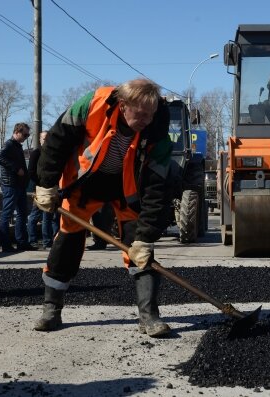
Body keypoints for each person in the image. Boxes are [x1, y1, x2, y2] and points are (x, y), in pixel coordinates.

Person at [33, 78, 173, 337]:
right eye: (140, 114)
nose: (145, 120)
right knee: (67, 242)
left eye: (150, 115)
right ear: (122, 105)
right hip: (86, 184)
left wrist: (146, 237)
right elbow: (56, 142)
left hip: (127, 189)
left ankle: (149, 316)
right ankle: (51, 309)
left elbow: (156, 188)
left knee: (140, 249)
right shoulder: (92, 105)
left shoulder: (158, 132)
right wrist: (46, 183)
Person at [0, 122, 37, 252]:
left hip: (19, 186)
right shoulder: (8, 144)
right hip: (10, 185)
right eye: (25, 134)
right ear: (17, 132)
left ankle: (22, 242)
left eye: (28, 135)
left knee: (22, 214)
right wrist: (16, 169)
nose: (26, 137)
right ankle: (6, 245)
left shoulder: (18, 146)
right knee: (7, 215)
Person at [26, 131, 55, 250]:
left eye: (47, 138)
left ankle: (47, 242)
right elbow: (31, 172)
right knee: (35, 215)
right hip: (38, 189)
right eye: (43, 138)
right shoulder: (36, 153)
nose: (46, 140)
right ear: (39, 140)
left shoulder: (51, 153)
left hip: (48, 188)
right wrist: (39, 184)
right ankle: (32, 241)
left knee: (47, 215)